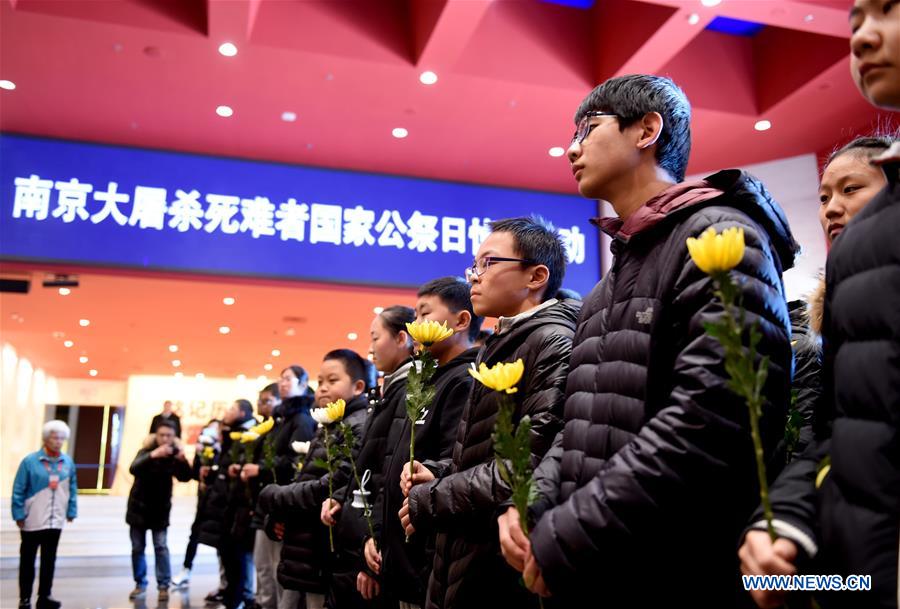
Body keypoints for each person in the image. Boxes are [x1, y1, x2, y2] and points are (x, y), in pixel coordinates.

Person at [496, 74, 797, 608]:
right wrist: (532, 503)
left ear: (647, 130)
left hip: (669, 573)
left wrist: (568, 532)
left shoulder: (718, 239)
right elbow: (579, 423)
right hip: (594, 566)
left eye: (587, 129)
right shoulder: (606, 287)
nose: (571, 147)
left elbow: (710, 423)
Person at [739, 0, 900, 604]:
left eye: (887, 11)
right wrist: (784, 521)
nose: (862, 36)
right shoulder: (859, 258)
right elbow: (839, 429)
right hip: (858, 575)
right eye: (854, 19)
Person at [401, 216, 579, 609]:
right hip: (466, 551)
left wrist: (430, 497)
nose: (474, 278)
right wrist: (442, 470)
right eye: (474, 266)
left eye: (487, 263)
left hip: (497, 562)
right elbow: (485, 452)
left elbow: (525, 467)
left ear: (536, 276)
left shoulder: (552, 342)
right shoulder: (504, 341)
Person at [367, 277, 482, 609]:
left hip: (427, 555)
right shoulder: (428, 377)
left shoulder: (463, 379)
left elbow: (461, 461)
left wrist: (432, 470)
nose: (415, 325)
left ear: (461, 321)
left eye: (424, 314)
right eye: (414, 316)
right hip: (402, 553)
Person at [258, 350, 376, 609]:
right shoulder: (330, 424)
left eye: (332, 381)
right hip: (304, 547)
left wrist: (274, 496)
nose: (322, 388)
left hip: (323, 551)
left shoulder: (357, 424)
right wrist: (277, 515)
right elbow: (306, 477)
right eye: (320, 381)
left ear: (358, 387)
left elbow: (331, 487)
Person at [321, 306, 416, 608]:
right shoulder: (388, 391)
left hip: (373, 547)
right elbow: (365, 468)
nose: (370, 347)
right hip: (359, 541)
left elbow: (386, 475)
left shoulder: (410, 392)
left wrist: (372, 547)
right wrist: (339, 496)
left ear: (402, 338)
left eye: (376, 337)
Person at [12, 420, 77, 609]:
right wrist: (18, 514)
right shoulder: (30, 462)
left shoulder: (67, 462)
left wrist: (71, 510)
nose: (58, 442)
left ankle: (44, 596)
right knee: (28, 561)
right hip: (33, 519)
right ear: (46, 438)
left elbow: (72, 488)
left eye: (62, 438)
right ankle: (25, 599)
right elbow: (18, 489)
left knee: (49, 560)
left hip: (55, 520)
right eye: (55, 437)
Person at [127, 419, 192, 601]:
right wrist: (153, 455)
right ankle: (140, 584)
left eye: (169, 436)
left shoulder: (174, 454)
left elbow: (186, 477)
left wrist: (182, 460)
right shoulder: (146, 451)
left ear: (174, 437)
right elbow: (133, 468)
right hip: (138, 508)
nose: (165, 439)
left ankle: (163, 585)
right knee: (137, 548)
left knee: (161, 547)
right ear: (155, 435)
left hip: (160, 511)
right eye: (162, 435)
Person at [242, 384, 283, 609]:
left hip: (275, 504)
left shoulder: (289, 424)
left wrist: (260, 470)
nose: (261, 405)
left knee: (272, 567)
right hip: (261, 504)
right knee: (262, 565)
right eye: (260, 400)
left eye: (266, 400)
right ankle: (261, 602)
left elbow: (284, 463)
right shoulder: (265, 429)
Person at [172, 418, 222, 590]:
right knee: (194, 535)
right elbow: (192, 474)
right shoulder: (203, 451)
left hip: (219, 502)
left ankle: (224, 582)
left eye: (217, 430)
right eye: (209, 430)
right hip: (203, 501)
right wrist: (190, 464)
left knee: (220, 540)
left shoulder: (224, 450)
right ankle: (186, 569)